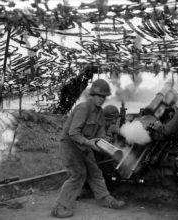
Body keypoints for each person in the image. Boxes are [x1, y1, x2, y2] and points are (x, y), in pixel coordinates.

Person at [51, 79, 125, 218]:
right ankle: (59, 207)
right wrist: (89, 143)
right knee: (78, 174)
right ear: (92, 95)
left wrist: (106, 144)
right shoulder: (83, 108)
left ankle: (105, 199)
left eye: (103, 97)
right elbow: (73, 132)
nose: (101, 99)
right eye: (98, 96)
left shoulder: (100, 113)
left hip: (84, 146)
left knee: (95, 172)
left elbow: (100, 133)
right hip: (70, 146)